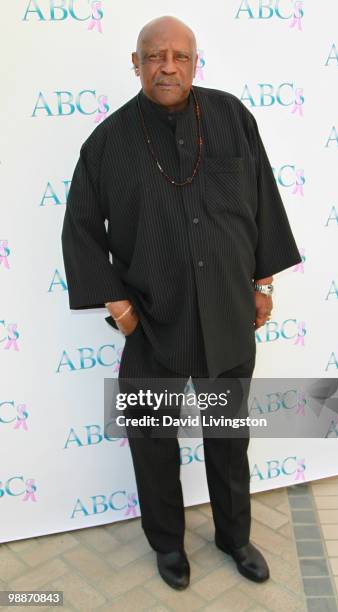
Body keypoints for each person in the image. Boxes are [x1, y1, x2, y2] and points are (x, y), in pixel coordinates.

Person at [61, 15, 302, 591]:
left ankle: (235, 536)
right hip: (151, 320)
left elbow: (262, 202)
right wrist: (121, 310)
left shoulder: (232, 118)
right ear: (137, 62)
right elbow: (80, 229)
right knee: (152, 441)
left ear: (195, 63)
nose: (168, 66)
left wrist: (261, 284)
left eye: (180, 56)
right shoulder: (107, 143)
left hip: (226, 311)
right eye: (155, 56)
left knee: (228, 435)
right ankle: (167, 545)